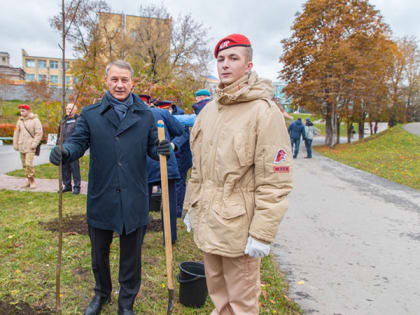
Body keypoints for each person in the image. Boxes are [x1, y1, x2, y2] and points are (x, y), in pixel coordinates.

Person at [49, 60, 171, 315]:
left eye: (124, 80)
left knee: (131, 257)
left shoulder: (145, 114)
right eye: (114, 79)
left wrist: (163, 148)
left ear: (132, 83)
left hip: (134, 196)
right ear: (106, 81)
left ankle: (126, 303)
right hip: (102, 195)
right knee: (98, 255)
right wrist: (65, 152)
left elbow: (152, 147)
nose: (119, 84)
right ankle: (101, 294)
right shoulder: (91, 114)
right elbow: (78, 142)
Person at [183, 34, 293, 314]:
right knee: (218, 296)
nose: (225, 65)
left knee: (242, 303)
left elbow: (275, 182)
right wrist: (189, 207)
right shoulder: (209, 111)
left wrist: (262, 234)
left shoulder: (264, 112)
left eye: (233, 58)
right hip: (209, 220)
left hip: (240, 229)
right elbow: (198, 170)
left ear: (249, 65)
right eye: (221, 59)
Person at [144, 98, 184, 244]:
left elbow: (181, 132)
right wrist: (173, 145)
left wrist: (173, 145)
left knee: (143, 203)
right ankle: (170, 237)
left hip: (162, 161)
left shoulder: (160, 113)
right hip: (153, 163)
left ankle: (139, 238)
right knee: (166, 203)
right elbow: (181, 131)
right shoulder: (161, 112)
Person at [13, 104, 43, 189]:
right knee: (24, 165)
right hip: (22, 145)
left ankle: (32, 180)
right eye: (21, 111)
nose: (21, 112)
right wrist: (15, 143)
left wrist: (34, 144)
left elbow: (39, 133)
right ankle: (28, 181)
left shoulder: (35, 120)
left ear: (28, 111)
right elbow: (16, 133)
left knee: (28, 164)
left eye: (23, 111)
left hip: (30, 147)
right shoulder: (19, 121)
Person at [56, 103, 81, 194]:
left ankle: (77, 186)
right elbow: (59, 134)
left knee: (74, 167)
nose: (68, 110)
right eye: (67, 108)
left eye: (70, 108)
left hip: (73, 148)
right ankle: (67, 186)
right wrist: (57, 146)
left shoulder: (78, 120)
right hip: (62, 147)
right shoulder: (63, 120)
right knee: (64, 167)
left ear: (75, 110)